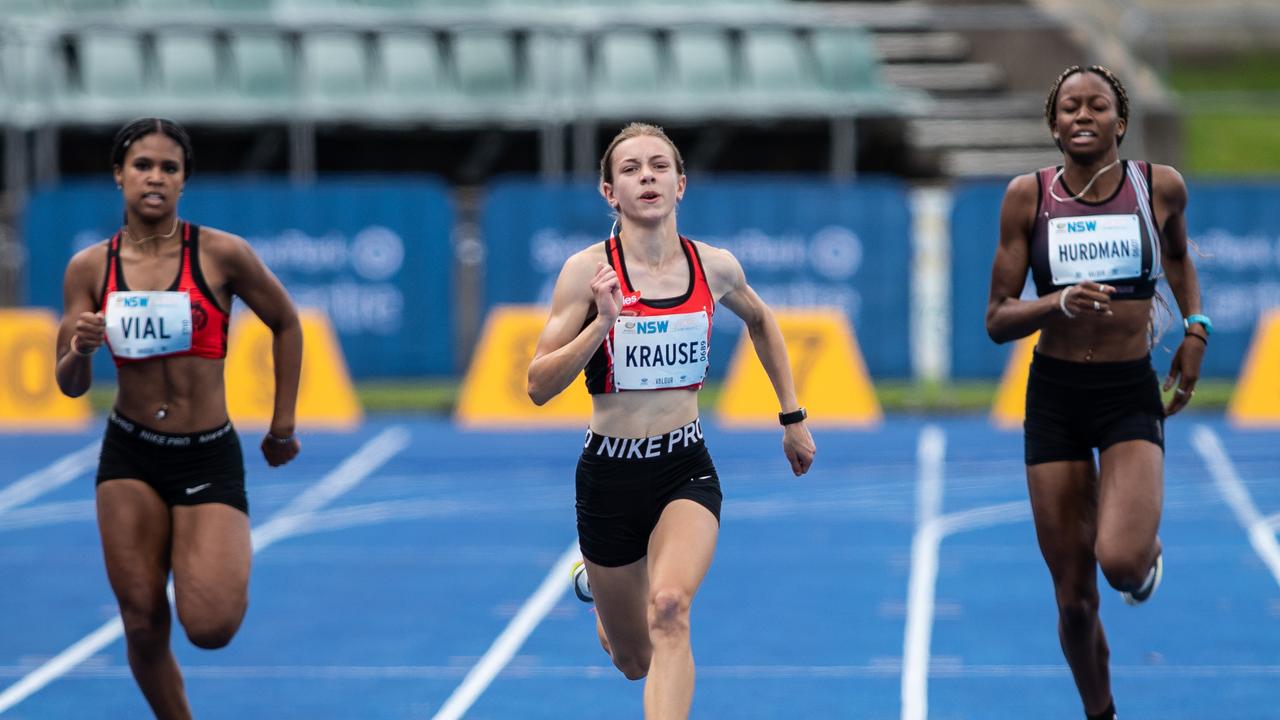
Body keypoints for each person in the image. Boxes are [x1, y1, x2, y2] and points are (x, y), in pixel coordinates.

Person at [527, 122, 816, 718]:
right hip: (608, 477)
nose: (647, 177)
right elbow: (537, 386)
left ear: (681, 184)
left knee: (669, 608)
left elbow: (762, 321)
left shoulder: (713, 267)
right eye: (630, 170)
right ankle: (598, 590)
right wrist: (602, 323)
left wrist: (792, 415)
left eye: (659, 166)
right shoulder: (587, 273)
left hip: (685, 469)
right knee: (633, 659)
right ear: (610, 193)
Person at [55, 118, 303, 720]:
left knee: (211, 626)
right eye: (143, 165)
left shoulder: (221, 254)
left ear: (184, 180)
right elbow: (68, 384)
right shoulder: (90, 268)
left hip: (206, 452)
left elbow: (286, 323)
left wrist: (282, 425)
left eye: (169, 167)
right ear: (119, 175)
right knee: (141, 621)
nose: (155, 178)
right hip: (130, 455)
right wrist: (81, 348)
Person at [985, 66, 1207, 720]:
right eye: (1070, 108)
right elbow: (997, 319)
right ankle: (1101, 713)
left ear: (1121, 121)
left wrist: (1195, 328)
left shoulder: (1158, 186)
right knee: (1075, 598)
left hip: (1127, 391)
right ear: (1053, 126)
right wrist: (1056, 303)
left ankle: (1146, 561)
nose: (1083, 115)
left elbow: (1179, 259)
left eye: (1098, 106)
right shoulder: (1027, 197)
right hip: (1055, 396)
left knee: (1119, 561)